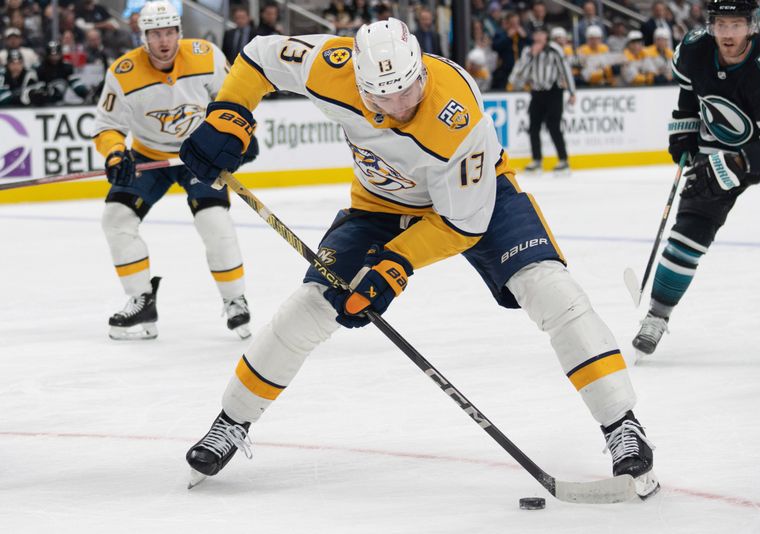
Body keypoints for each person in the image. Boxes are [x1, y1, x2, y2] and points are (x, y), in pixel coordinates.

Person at [178, 18, 659, 500]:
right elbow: (261, 55)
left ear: (420, 70)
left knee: (552, 291)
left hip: (480, 201)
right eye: (384, 97)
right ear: (360, 83)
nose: (401, 105)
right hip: (379, 206)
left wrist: (394, 265)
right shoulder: (332, 67)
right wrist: (229, 113)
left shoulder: (455, 113)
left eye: (409, 89)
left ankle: (622, 424)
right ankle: (231, 422)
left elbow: (461, 225)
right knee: (308, 307)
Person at [633, 0, 760, 355]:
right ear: (711, 26)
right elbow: (689, 96)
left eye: (736, 25)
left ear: (751, 26)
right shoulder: (694, 49)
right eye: (721, 24)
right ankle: (657, 316)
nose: (727, 33)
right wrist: (683, 133)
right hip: (716, 149)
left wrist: (737, 164)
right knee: (687, 234)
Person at [92, 0, 256, 340]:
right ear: (143, 37)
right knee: (116, 219)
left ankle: (235, 299)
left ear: (179, 32)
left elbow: (235, 97)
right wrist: (115, 155)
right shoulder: (123, 72)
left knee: (214, 221)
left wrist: (241, 133)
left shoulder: (205, 55)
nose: (163, 41)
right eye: (155, 34)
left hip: (199, 154)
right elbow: (107, 125)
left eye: (169, 32)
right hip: (147, 157)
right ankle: (141, 299)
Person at [508, 26, 576, 174]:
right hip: (536, 92)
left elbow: (565, 70)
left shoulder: (554, 50)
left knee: (554, 126)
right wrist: (532, 55)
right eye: (536, 34)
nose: (538, 37)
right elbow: (519, 74)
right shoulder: (528, 52)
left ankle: (563, 160)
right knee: (534, 127)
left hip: (554, 92)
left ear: (546, 36)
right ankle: (537, 160)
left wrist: (572, 92)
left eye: (541, 34)